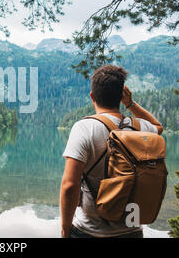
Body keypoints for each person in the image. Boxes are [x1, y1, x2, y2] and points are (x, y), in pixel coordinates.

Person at [60, 65, 163, 238]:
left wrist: (65, 229)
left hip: (90, 231)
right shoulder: (142, 128)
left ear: (92, 96)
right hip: (133, 231)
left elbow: (70, 186)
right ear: (121, 95)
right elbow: (158, 127)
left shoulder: (85, 128)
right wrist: (130, 104)